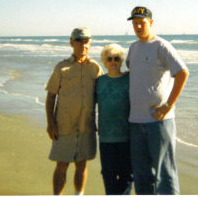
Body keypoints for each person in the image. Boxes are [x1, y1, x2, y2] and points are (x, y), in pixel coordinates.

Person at [126, 6, 189, 195]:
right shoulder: (133, 47)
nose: (138, 26)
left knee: (165, 173)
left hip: (158, 121)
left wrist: (168, 105)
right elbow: (134, 74)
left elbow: (182, 73)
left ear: (151, 23)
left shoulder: (161, 46)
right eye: (135, 23)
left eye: (142, 23)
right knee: (141, 174)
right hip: (135, 122)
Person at [45, 27, 104, 195]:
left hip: (86, 126)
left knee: (82, 164)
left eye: (87, 42)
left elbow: (104, 96)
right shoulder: (61, 68)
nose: (83, 46)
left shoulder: (95, 68)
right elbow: (50, 97)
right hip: (64, 126)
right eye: (79, 42)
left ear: (90, 44)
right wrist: (50, 123)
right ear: (72, 43)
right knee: (62, 164)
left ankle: (79, 194)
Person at [95, 44, 133, 195]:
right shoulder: (99, 81)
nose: (113, 61)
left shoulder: (129, 79)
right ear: (104, 61)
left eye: (116, 58)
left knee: (126, 176)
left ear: (121, 60)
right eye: (109, 58)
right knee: (108, 175)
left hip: (126, 136)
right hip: (105, 137)